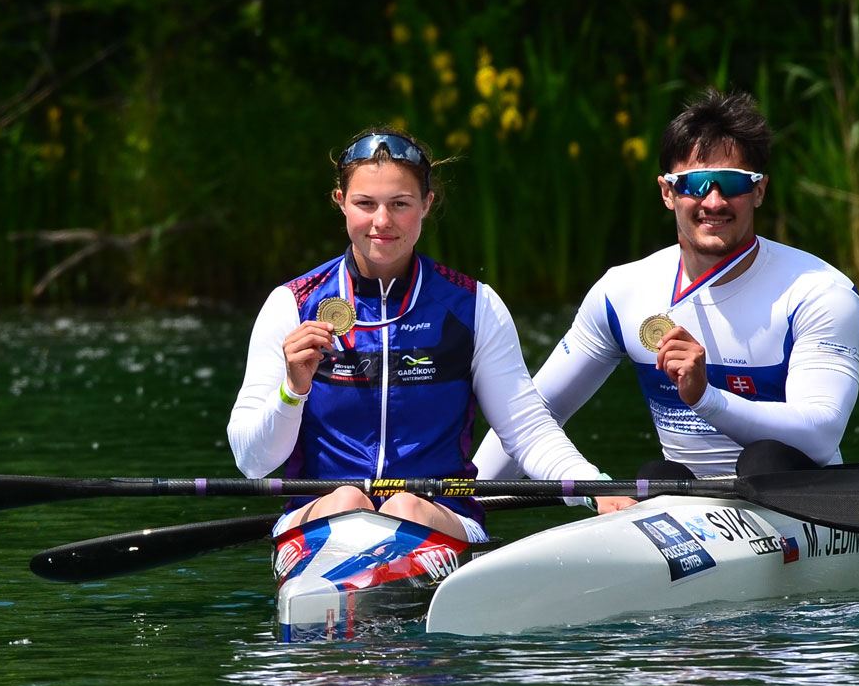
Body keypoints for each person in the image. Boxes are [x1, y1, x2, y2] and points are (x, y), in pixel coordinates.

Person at [471, 88, 859, 510]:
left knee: (763, 459)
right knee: (655, 477)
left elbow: (822, 434)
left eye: (732, 183)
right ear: (667, 192)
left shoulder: (819, 292)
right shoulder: (622, 292)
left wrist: (706, 398)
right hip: (685, 505)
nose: (714, 201)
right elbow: (529, 416)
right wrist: (456, 506)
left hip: (802, 501)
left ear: (760, 191)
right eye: (695, 184)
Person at [227, 127, 603, 544]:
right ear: (341, 204)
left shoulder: (473, 306)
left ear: (426, 204)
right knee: (347, 503)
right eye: (365, 204)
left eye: (400, 204)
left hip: (440, 513)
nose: (382, 222)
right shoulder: (290, 305)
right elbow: (252, 462)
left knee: (404, 504)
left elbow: (528, 431)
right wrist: (292, 390)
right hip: (320, 511)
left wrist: (595, 488)